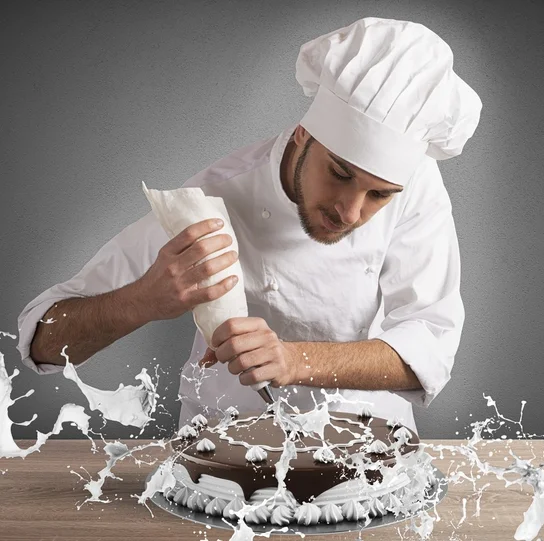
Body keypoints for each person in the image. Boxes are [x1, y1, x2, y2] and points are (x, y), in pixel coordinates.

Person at [16, 18, 482, 435]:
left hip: (370, 446)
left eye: (378, 194)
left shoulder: (415, 188)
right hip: (222, 453)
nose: (351, 212)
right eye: (339, 174)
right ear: (304, 134)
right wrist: (146, 299)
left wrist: (293, 360)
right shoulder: (219, 195)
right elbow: (44, 341)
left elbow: (429, 347)